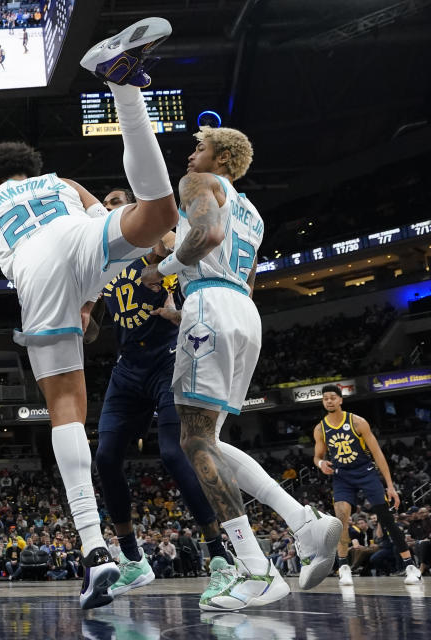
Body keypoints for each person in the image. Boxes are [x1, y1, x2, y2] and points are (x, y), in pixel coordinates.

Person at [0, 17, 178, 609]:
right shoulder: (61, 181)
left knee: (64, 410)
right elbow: (96, 230)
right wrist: (92, 293)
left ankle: (93, 549)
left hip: (33, 270)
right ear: (31, 166)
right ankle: (124, 88)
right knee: (157, 214)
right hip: (74, 237)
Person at [139, 120, 341, 608]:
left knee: (193, 440)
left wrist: (162, 270)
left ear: (223, 158)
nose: (190, 156)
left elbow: (205, 235)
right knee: (211, 441)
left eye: (200, 148)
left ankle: (256, 568)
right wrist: (186, 305)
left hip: (210, 308)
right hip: (242, 314)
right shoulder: (253, 212)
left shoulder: (197, 184)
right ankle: (303, 522)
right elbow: (244, 280)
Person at [86, 193, 235, 598]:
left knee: (174, 451)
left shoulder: (161, 238)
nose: (111, 205)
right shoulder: (103, 258)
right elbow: (94, 324)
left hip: (169, 355)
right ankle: (133, 560)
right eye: (107, 202)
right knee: (105, 456)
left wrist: (181, 307)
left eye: (119, 199)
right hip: (127, 367)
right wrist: (81, 321)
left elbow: (197, 266)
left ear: (136, 207)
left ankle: (218, 552)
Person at [313, 385, 422, 585]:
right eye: (325, 398)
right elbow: (317, 456)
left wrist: (390, 486)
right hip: (342, 476)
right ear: (323, 402)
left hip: (365, 472)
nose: (329, 401)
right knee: (341, 519)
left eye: (332, 397)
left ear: (340, 400)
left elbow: (378, 455)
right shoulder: (320, 428)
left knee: (386, 518)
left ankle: (410, 565)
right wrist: (321, 464)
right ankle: (344, 567)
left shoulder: (357, 422)